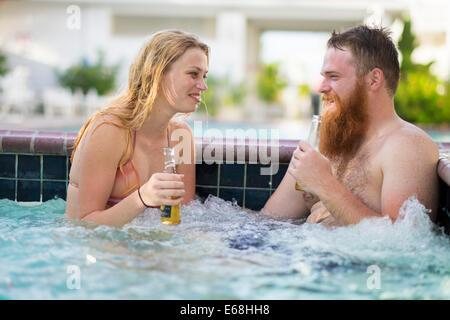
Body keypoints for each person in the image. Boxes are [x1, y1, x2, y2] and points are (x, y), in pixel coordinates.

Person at [263, 25, 439, 227]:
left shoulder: (406, 146)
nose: (321, 87)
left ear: (373, 80)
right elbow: (269, 222)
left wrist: (324, 183)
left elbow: (403, 243)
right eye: (323, 76)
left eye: (333, 76)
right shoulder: (328, 143)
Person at [65, 30, 209, 227]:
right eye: (193, 74)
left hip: (144, 248)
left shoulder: (181, 136)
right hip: (94, 250)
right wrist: (142, 198)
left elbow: (184, 217)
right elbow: (84, 223)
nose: (203, 85)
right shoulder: (109, 130)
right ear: (156, 72)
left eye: (204, 76)